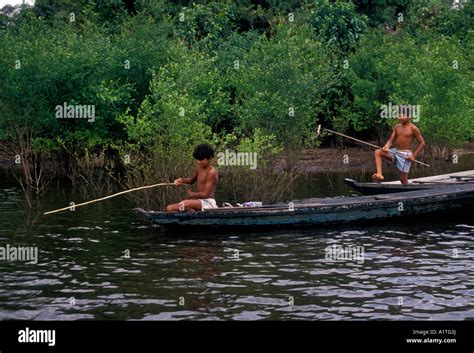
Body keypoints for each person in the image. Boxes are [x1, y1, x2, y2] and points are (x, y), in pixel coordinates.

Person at [372, 107, 426, 185]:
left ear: (409, 116)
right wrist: (387, 146)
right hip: (395, 151)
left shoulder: (413, 128)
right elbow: (391, 140)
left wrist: (413, 156)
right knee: (378, 152)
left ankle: (410, 192)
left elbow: (422, 143)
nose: (399, 118)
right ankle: (379, 174)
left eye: (402, 116)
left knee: (403, 179)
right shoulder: (397, 127)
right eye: (398, 115)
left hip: (405, 155)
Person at [166, 144, 218, 212]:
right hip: (198, 201)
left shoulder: (212, 172)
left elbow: (205, 195)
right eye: (197, 159)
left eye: (201, 159)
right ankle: (192, 215)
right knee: (169, 208)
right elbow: (191, 181)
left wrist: (192, 194)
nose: (198, 162)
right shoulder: (199, 168)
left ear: (210, 158)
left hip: (209, 203)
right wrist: (181, 180)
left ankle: (192, 212)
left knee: (184, 203)